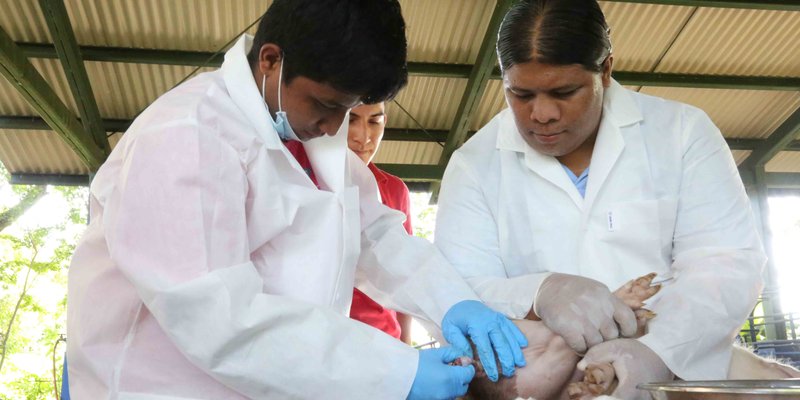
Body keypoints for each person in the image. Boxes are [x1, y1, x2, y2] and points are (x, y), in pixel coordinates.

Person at [65, 1, 529, 399]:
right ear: (270, 60)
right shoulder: (185, 137)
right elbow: (220, 318)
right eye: (327, 105)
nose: (335, 128)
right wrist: (394, 373)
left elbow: (377, 236)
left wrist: (453, 304)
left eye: (348, 110)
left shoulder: (310, 137)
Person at [434, 0, 766, 398]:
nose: (541, 113)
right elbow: (458, 288)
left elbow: (725, 263)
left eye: (564, 92)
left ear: (605, 70)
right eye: (520, 94)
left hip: (674, 372)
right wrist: (540, 292)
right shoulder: (474, 164)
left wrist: (656, 353)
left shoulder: (680, 132)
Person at [347, 102, 414, 344]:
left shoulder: (395, 190)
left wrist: (407, 347)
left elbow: (405, 274)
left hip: (386, 343)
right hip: (327, 346)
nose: (363, 137)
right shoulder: (302, 179)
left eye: (374, 122)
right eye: (350, 119)